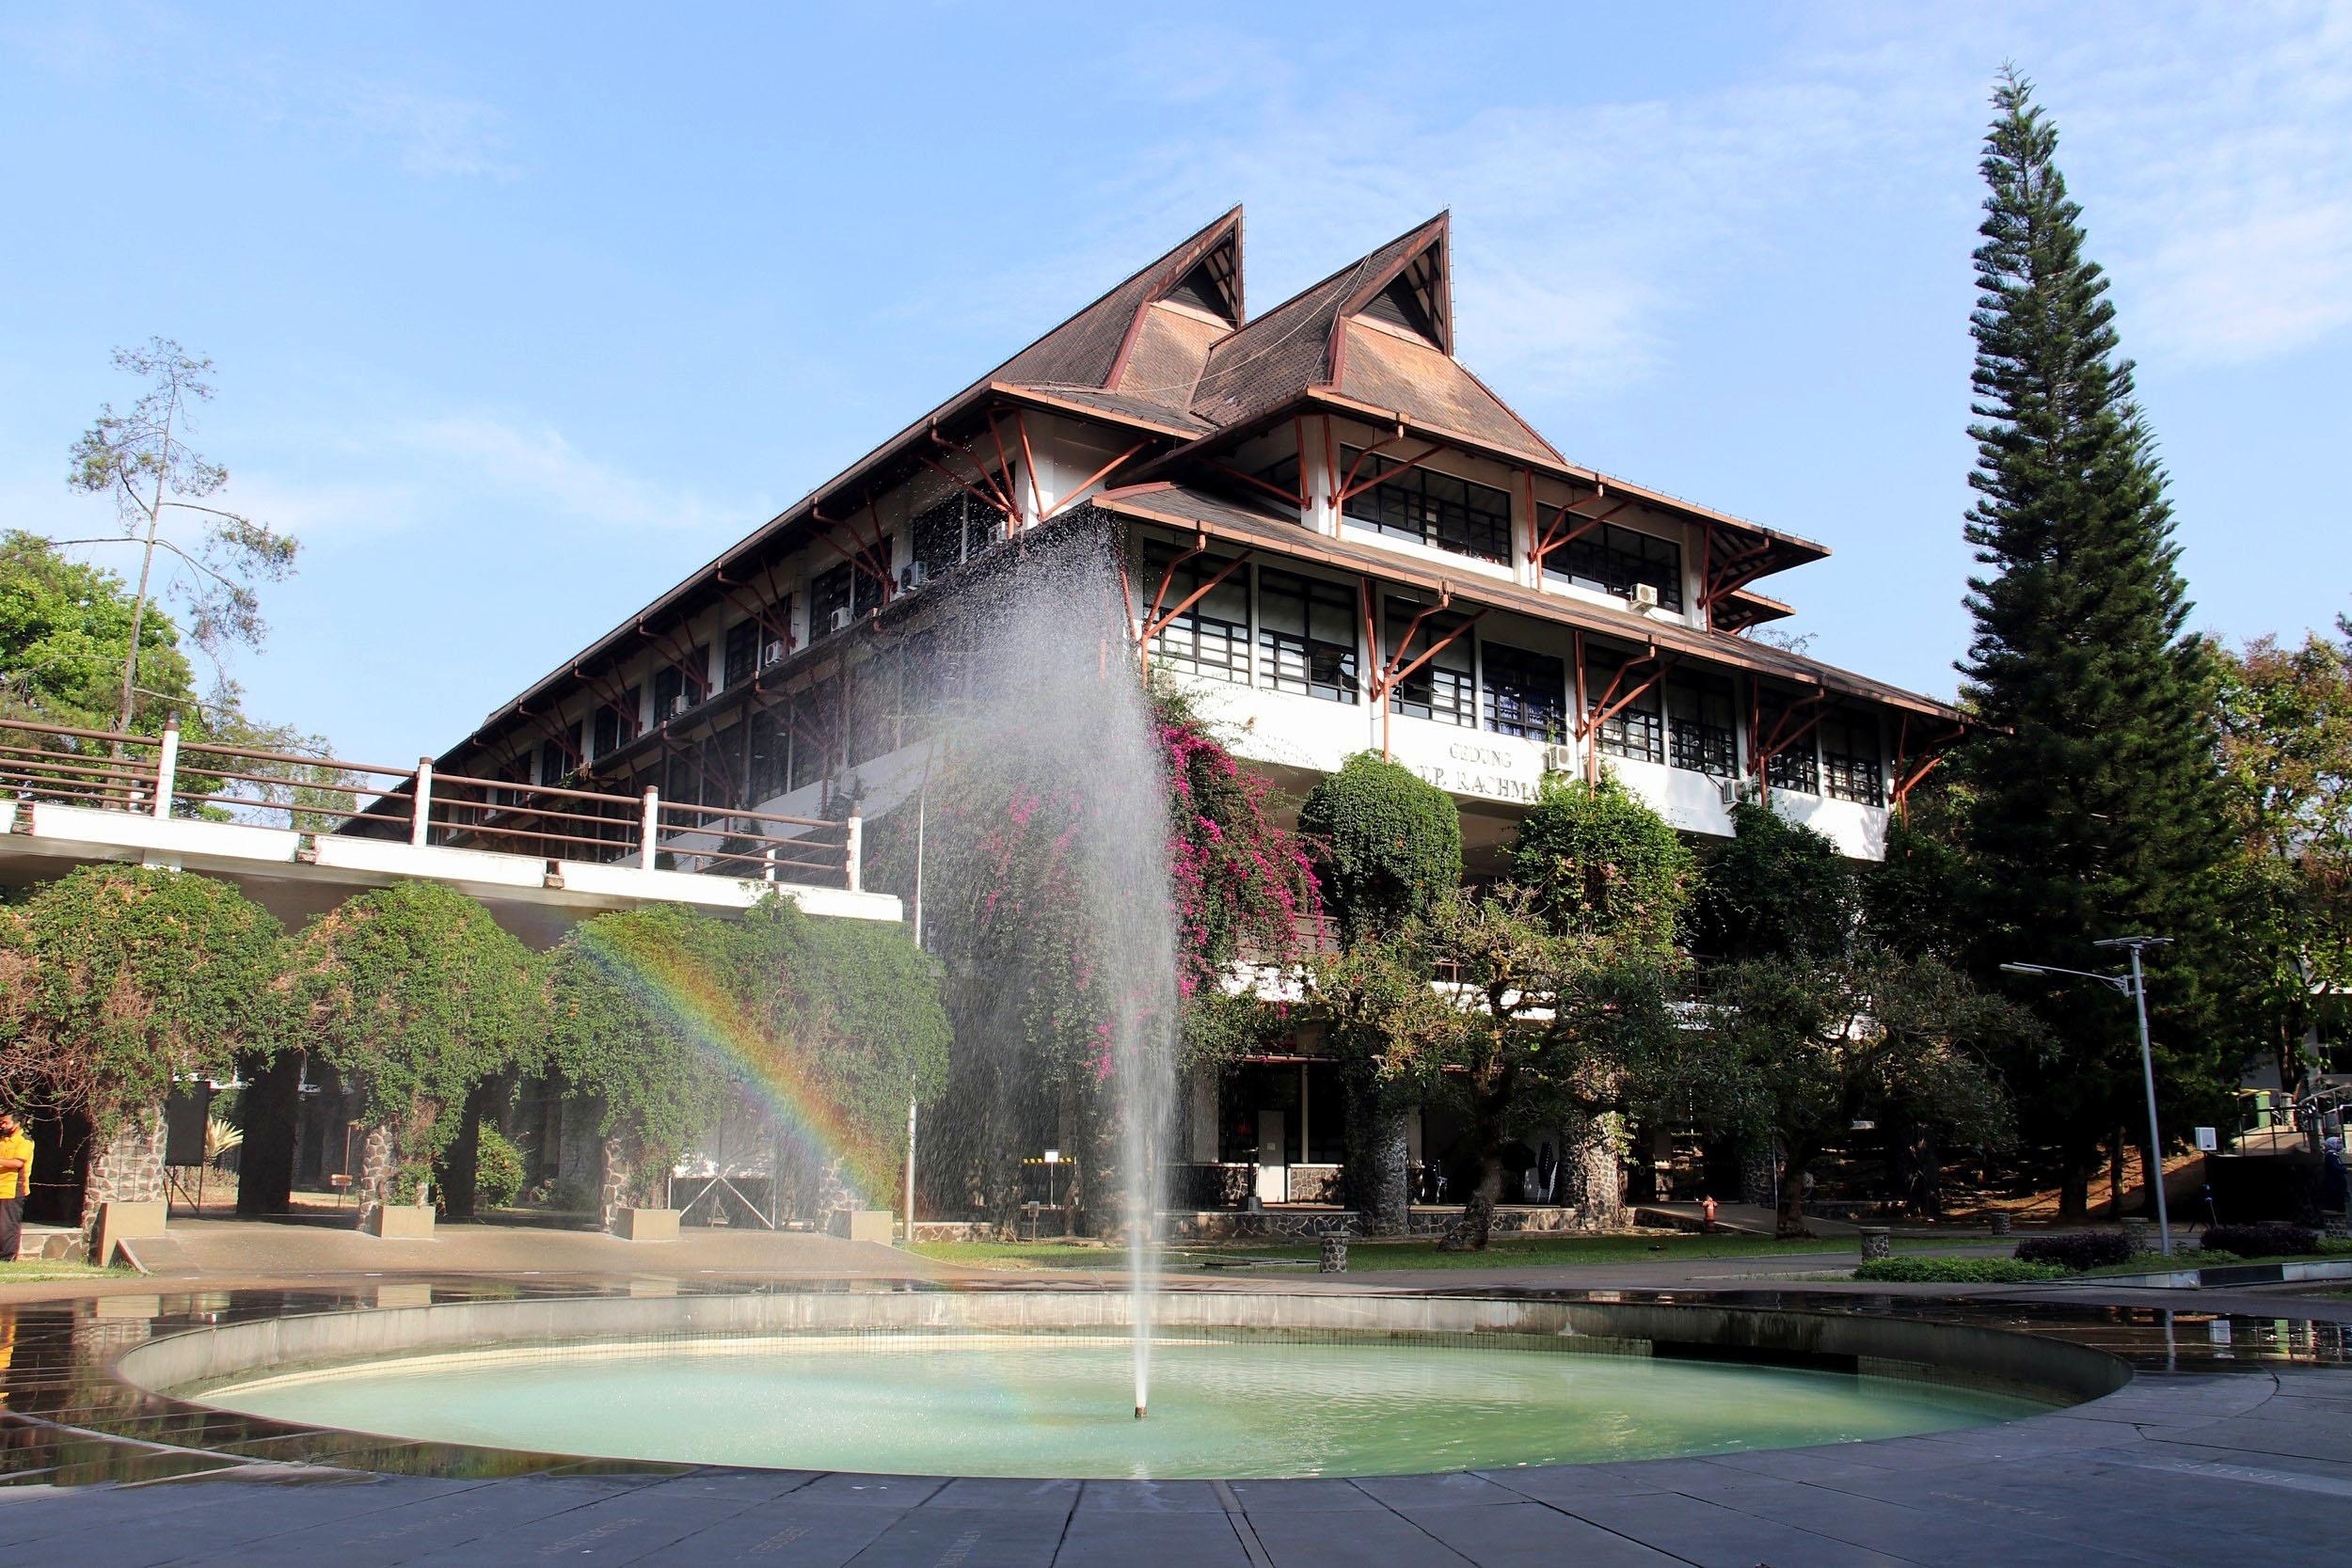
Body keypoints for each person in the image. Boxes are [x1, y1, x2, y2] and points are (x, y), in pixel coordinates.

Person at [0, 1110, 32, 1264]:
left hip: (13, 1189)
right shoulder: (2, 1139)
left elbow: (18, 1163)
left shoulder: (25, 1141)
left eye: (5, 1122)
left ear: (17, 1123)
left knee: (8, 1225)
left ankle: (8, 1257)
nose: (2, 1125)